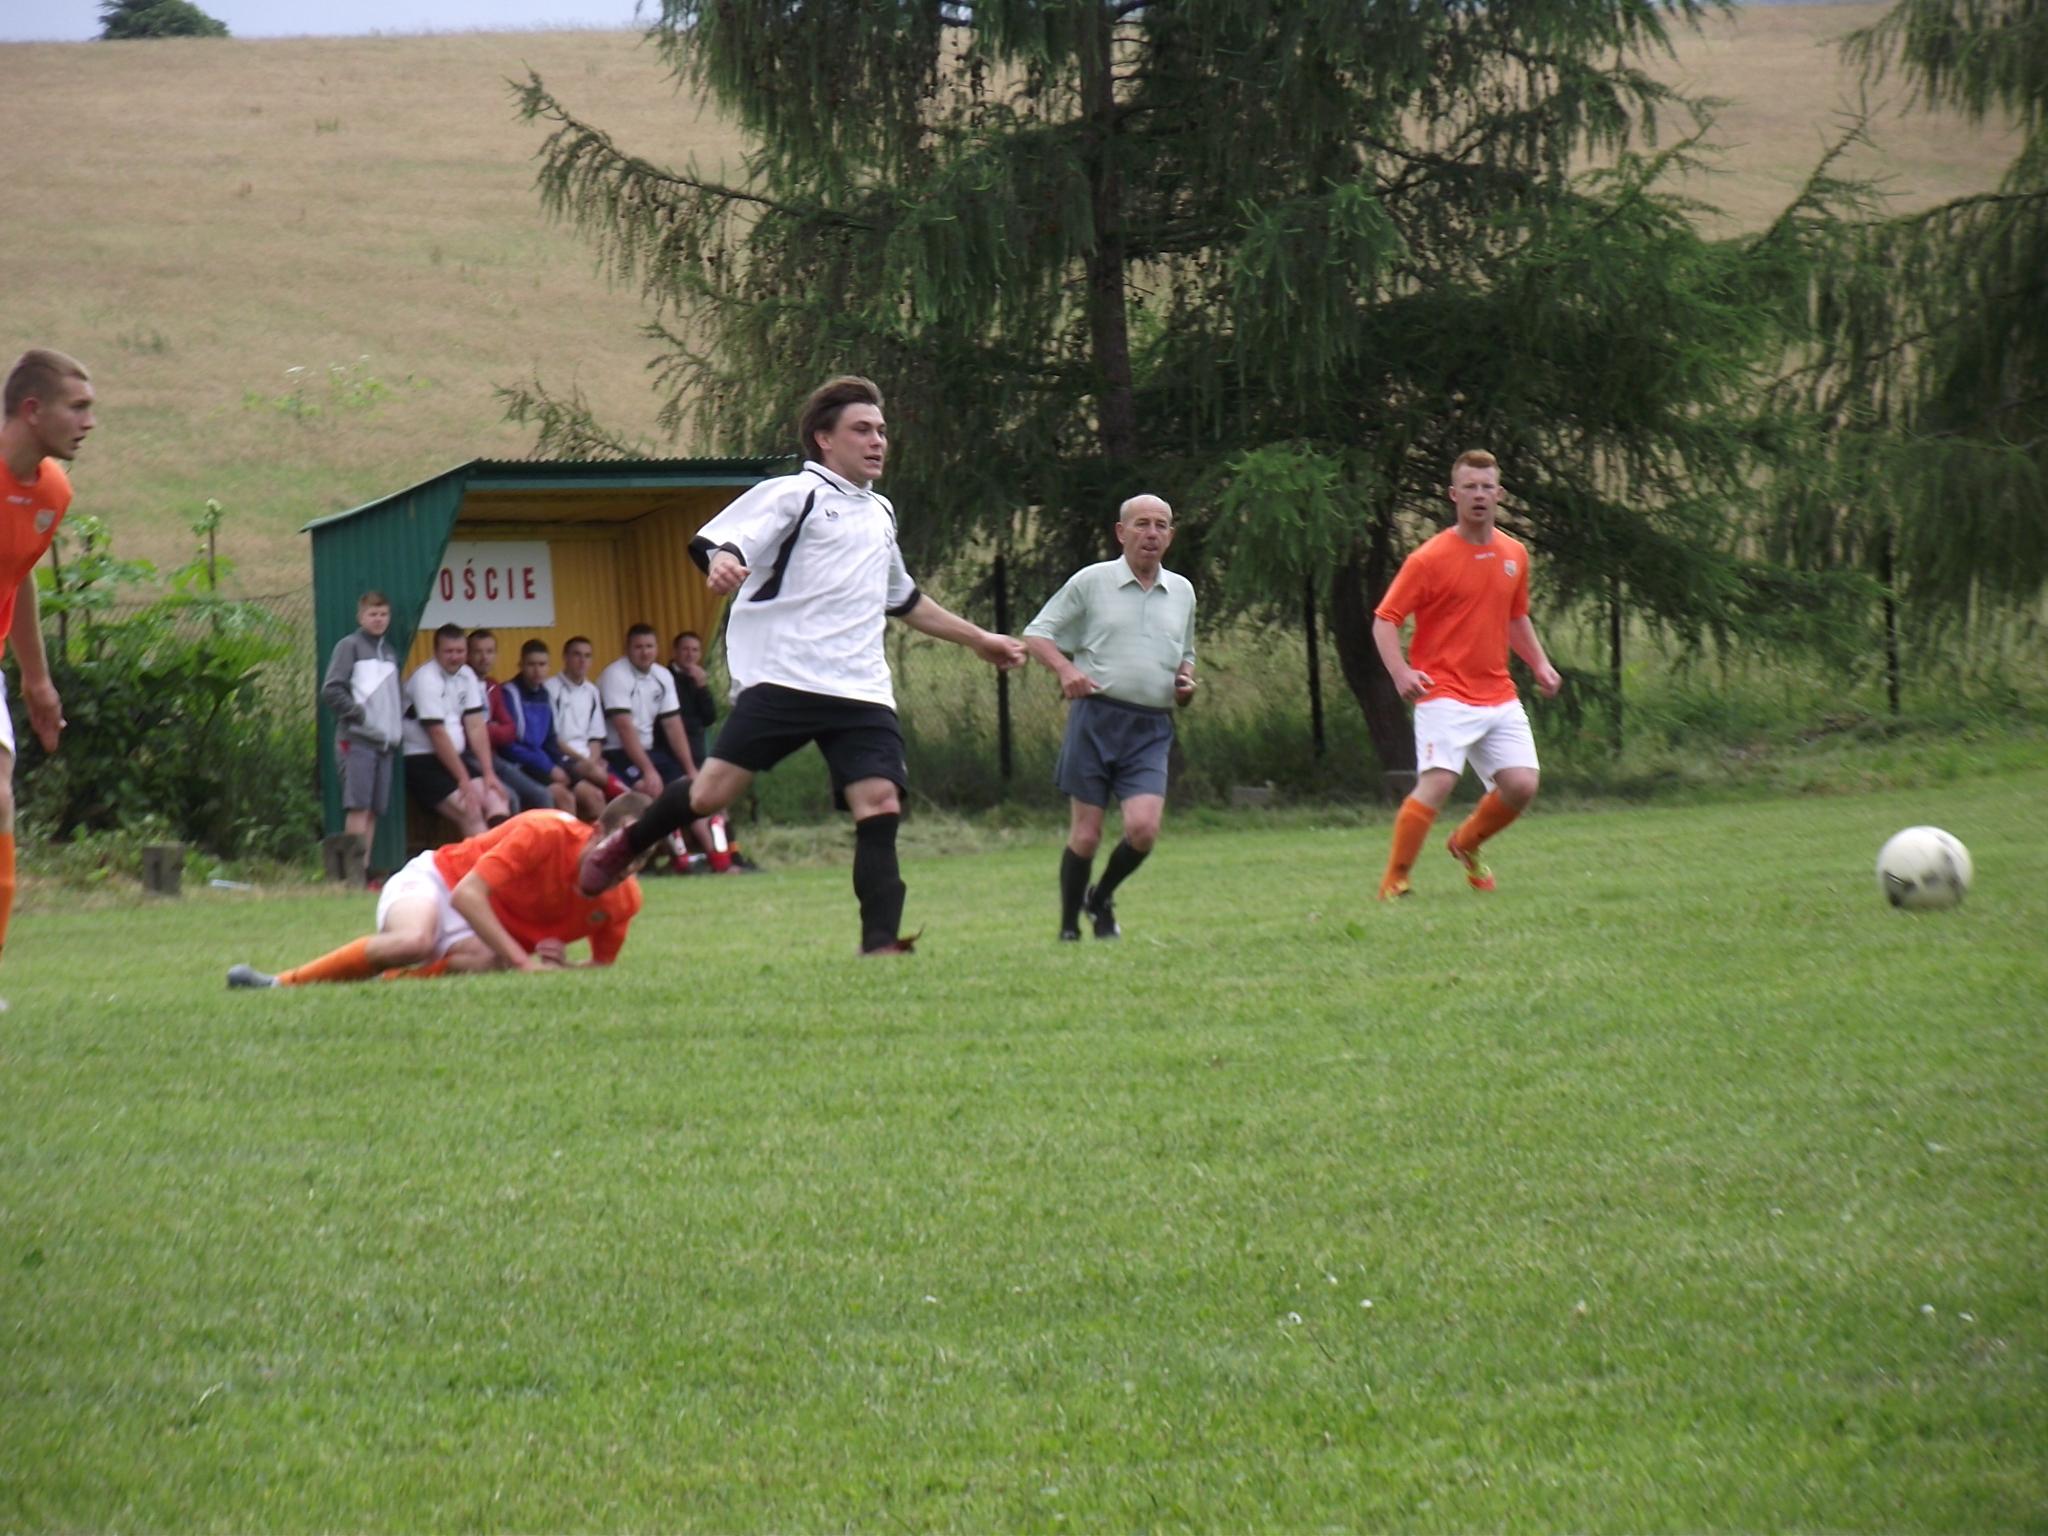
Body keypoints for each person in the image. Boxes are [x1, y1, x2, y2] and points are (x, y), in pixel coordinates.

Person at [580, 374, 1026, 954]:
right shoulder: (796, 494)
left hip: (861, 689)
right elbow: (722, 540)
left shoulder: (881, 511)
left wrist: (979, 639)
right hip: (784, 678)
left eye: (882, 430)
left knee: (880, 803)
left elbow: (903, 598)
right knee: (711, 795)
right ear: (824, 438)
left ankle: (880, 945)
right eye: (862, 429)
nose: (878, 441)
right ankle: (628, 842)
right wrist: (721, 562)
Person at [1371, 449, 1562, 900]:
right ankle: (1395, 880)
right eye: (1470, 487)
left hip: (1497, 692)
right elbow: (1385, 619)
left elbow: (1515, 617)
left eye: (1486, 487)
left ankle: (1466, 844)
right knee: (1439, 781)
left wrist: (1540, 664)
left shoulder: (1514, 554)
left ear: (1499, 494)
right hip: (1443, 691)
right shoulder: (1429, 558)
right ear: (1453, 495)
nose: (1479, 495)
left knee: (1522, 785)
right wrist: (1401, 673)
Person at [226, 797, 651, 987]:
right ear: (596, 831)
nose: (626, 863)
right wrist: (525, 963)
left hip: (480, 926)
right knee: (413, 941)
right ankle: (281, 983)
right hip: (441, 880)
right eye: (621, 845)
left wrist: (561, 968)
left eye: (641, 855)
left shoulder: (624, 901)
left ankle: (391, 982)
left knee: (491, 961)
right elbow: (468, 894)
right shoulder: (546, 831)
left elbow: (599, 971)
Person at [1023, 494, 1197, 941]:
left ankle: (1100, 897)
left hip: (1151, 727)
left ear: (1171, 536)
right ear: (1121, 532)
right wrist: (1066, 671)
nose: (1151, 533)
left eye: (1161, 525)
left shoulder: (1182, 591)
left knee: (1144, 829)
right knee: (1086, 835)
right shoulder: (1092, 581)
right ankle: (1068, 929)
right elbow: (1037, 634)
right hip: (1096, 718)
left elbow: (1187, 653)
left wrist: (1185, 681)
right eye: (1142, 524)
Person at [0, 349, 89, 1007]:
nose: (89, 422)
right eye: (77, 408)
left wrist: (37, 679)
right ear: (32, 410)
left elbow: (18, 571)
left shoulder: (52, 492)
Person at [319, 589, 402, 879]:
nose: (378, 619)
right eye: (372, 614)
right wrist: (359, 714)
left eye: (383, 614)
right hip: (357, 740)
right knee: (358, 806)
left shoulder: (390, 653)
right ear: (360, 617)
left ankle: (363, 870)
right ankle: (351, 874)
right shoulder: (349, 646)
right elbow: (331, 689)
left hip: (385, 742)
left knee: (374, 809)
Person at [403, 623, 509, 838]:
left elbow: (476, 725)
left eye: (460, 651)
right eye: (448, 651)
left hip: (455, 758)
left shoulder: (467, 675)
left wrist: (488, 772)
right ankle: (485, 860)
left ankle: (503, 856)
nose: (455, 657)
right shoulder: (426, 678)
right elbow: (437, 734)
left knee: (497, 798)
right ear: (436, 652)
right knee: (470, 811)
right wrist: (463, 780)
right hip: (421, 760)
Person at [500, 638, 600, 819]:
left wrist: (558, 765)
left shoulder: (544, 694)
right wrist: (549, 768)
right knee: (565, 799)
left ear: (549, 666)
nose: (537, 670)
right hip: (521, 764)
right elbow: (510, 745)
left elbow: (550, 739)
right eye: (531, 664)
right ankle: (567, 839)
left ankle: (595, 838)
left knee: (594, 796)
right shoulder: (510, 693)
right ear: (520, 665)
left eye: (542, 664)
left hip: (545, 762)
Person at [600, 624, 695, 794]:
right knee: (651, 789)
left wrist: (691, 770)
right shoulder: (615, 674)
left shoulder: (662, 675)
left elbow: (673, 726)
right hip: (617, 752)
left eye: (649, 646)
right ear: (627, 649)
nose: (645, 653)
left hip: (649, 750)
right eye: (638, 647)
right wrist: (649, 771)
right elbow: (624, 729)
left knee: (690, 789)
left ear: (657, 648)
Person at [470, 627, 555, 813]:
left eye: (489, 652)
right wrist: (488, 729)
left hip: (493, 757)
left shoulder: (493, 686)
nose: (484, 658)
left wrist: (485, 729)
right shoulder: (463, 684)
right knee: (511, 798)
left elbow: (510, 730)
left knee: (543, 795)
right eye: (478, 652)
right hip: (470, 757)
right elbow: (470, 732)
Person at [546, 634, 620, 802]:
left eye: (587, 656)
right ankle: (632, 800)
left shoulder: (592, 691)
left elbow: (595, 737)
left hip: (587, 761)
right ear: (565, 657)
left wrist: (592, 761)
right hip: (561, 758)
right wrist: (586, 762)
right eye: (577, 655)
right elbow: (553, 739)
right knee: (595, 794)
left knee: (598, 795)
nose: (582, 661)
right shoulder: (550, 688)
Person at [669, 629, 718, 772]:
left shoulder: (698, 678)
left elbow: (709, 718)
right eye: (685, 649)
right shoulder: (666, 677)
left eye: (695, 650)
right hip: (672, 749)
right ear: (675, 652)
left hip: (697, 748)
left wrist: (702, 687)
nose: (690, 654)